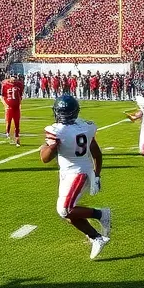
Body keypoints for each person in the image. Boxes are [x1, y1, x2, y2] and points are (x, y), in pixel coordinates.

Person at [40, 94, 110, 259]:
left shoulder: (57, 130)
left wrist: (48, 146)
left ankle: (101, 215)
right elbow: (97, 153)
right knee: (69, 211)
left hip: (76, 174)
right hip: (75, 172)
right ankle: (96, 237)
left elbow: (45, 158)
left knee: (65, 209)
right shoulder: (86, 126)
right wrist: (97, 175)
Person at [1, 73, 23, 146]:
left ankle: (17, 138)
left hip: (16, 107)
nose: (14, 79)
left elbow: (20, 95)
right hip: (9, 107)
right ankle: (7, 134)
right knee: (8, 122)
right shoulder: (5, 84)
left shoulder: (19, 84)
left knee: (17, 123)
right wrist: (5, 105)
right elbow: (3, 96)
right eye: (12, 77)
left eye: (15, 78)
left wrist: (19, 103)